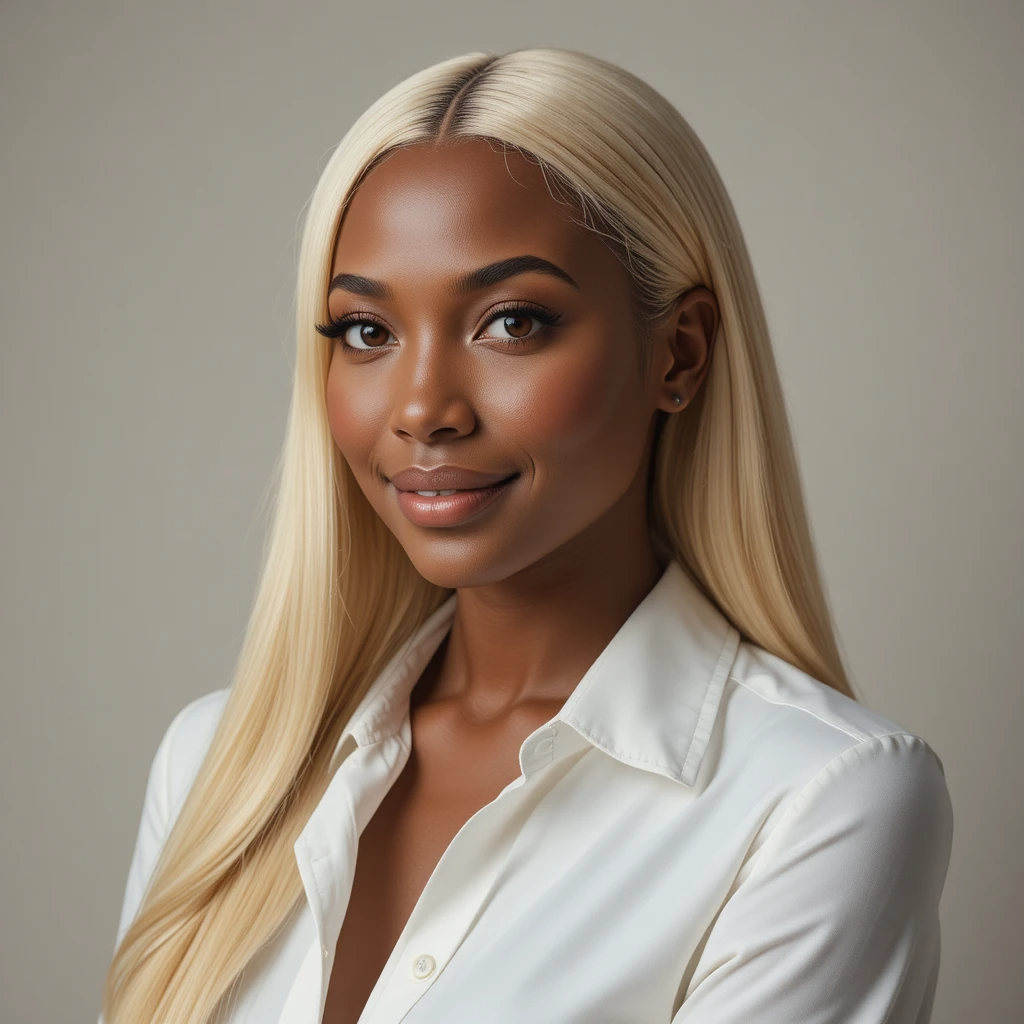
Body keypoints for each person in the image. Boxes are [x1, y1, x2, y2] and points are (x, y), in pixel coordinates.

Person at [99, 47, 954, 1024]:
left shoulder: (818, 799)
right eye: (367, 332)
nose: (421, 409)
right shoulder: (215, 766)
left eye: (511, 321)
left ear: (678, 353)